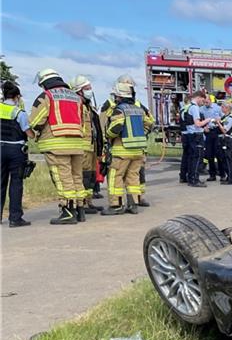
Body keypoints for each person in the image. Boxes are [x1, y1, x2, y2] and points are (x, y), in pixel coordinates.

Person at [29, 68, 89, 224]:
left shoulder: (46, 96)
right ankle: (80, 210)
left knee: (63, 179)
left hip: (56, 144)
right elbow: (83, 121)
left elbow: (36, 121)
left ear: (44, 83)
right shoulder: (76, 97)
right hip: (77, 144)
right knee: (77, 177)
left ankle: (68, 212)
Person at [100, 81, 154, 214]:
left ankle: (116, 205)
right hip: (138, 151)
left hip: (122, 151)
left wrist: (108, 135)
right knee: (133, 177)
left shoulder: (120, 109)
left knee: (115, 177)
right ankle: (133, 204)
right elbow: (150, 123)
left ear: (119, 96)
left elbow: (116, 127)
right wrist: (143, 134)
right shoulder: (139, 109)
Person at [71, 75, 104, 215]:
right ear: (79, 91)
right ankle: (82, 203)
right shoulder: (76, 104)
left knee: (90, 176)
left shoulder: (88, 106)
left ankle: (89, 201)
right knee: (83, 176)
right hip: (82, 146)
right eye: (87, 88)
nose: (90, 90)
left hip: (92, 147)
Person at [1, 80, 32, 227]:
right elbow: (29, 133)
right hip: (15, 151)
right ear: (17, 97)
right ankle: (15, 218)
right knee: (16, 184)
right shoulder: (19, 112)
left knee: (0, 183)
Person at [181, 91, 210, 187]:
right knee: (197, 158)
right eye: (203, 100)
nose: (203, 102)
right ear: (198, 97)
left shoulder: (187, 107)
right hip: (196, 135)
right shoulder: (194, 108)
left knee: (191, 157)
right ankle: (194, 180)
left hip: (189, 135)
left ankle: (190, 178)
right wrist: (208, 120)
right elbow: (198, 124)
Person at [215, 102, 232, 185]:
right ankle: (227, 176)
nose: (221, 108)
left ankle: (231, 179)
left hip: (226, 140)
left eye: (223, 107)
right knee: (222, 159)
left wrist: (218, 123)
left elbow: (225, 130)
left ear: (227, 108)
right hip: (221, 140)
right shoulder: (224, 117)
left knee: (228, 160)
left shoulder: (230, 119)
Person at [202, 94, 222, 181]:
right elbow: (198, 120)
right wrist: (203, 128)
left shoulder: (217, 108)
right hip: (208, 132)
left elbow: (223, 117)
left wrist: (219, 121)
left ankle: (222, 174)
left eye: (206, 102)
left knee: (219, 154)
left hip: (216, 131)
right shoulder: (201, 109)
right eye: (204, 102)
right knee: (209, 154)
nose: (205, 103)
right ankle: (212, 175)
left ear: (210, 100)